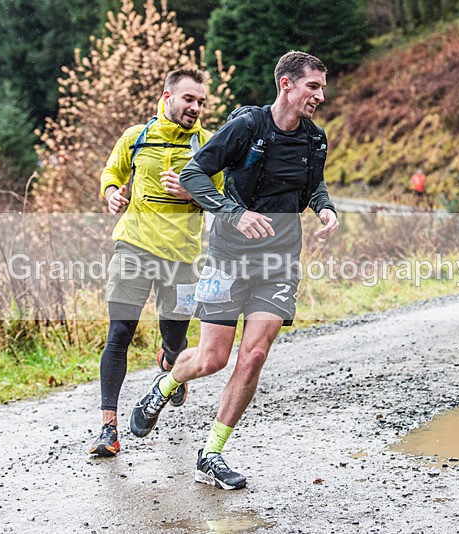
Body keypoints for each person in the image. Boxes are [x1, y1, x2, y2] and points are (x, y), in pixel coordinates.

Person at [129, 51, 339, 489]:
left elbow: (313, 183)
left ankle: (212, 454)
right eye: (313, 86)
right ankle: (165, 386)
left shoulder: (314, 140)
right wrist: (233, 213)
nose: (321, 94)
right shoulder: (247, 126)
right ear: (286, 84)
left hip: (279, 262)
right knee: (211, 359)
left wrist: (325, 207)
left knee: (255, 355)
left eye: (322, 87)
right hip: (227, 257)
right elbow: (193, 174)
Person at [89, 68, 223, 457]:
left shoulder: (207, 144)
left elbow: (220, 196)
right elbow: (111, 172)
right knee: (119, 333)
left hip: (182, 256)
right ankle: (107, 430)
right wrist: (113, 193)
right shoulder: (137, 136)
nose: (196, 107)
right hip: (134, 245)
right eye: (189, 99)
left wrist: (189, 194)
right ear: (167, 98)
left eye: (200, 101)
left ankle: (171, 363)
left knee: (175, 339)